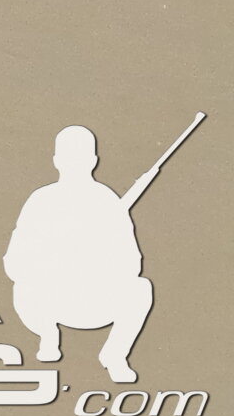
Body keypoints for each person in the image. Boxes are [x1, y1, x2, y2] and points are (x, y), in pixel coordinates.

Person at [9, 124, 159, 385]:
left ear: (93, 161)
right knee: (22, 287)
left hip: (96, 301)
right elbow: (14, 261)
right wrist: (53, 264)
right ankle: (47, 335)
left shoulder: (107, 201)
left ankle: (114, 355)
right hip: (48, 301)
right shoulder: (41, 200)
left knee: (140, 289)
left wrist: (95, 262)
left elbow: (132, 263)